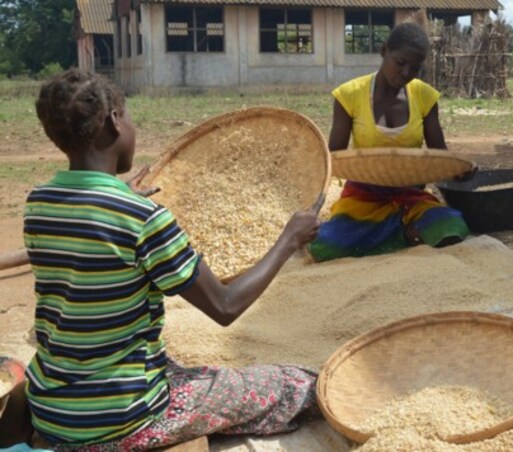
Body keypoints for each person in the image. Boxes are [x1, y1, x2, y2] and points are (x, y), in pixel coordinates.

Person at [19, 69, 321, 451]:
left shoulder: (38, 204)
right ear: (114, 121)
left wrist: (116, 195)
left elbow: (92, 236)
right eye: (128, 115)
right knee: (294, 385)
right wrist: (288, 240)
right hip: (122, 417)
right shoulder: (144, 219)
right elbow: (225, 306)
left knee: (170, 364)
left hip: (53, 407)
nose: (131, 126)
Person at [308, 22, 470, 262]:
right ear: (384, 51)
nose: (405, 73)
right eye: (400, 63)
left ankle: (394, 231)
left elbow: (440, 156)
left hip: (410, 194)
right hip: (363, 195)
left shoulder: (425, 96)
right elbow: (335, 157)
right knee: (325, 246)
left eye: (415, 68)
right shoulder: (349, 95)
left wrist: (459, 171)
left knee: (451, 226)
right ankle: (403, 233)